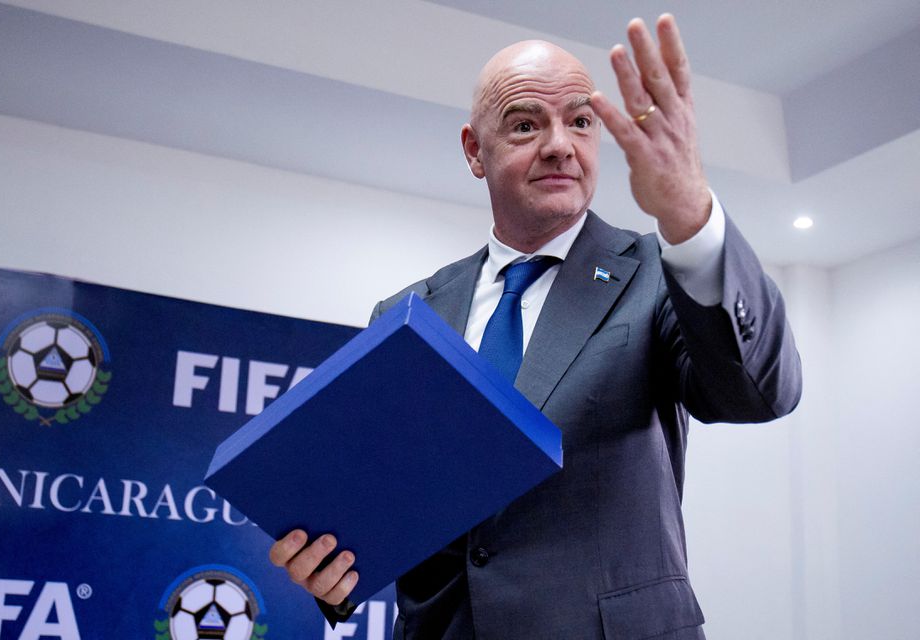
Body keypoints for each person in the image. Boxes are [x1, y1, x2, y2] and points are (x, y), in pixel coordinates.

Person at [270, 14, 801, 639]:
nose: (559, 144)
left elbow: (762, 391)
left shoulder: (658, 273)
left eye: (580, 121)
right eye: (525, 124)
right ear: (474, 150)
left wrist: (689, 213)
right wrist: (334, 574)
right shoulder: (406, 313)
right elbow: (385, 505)